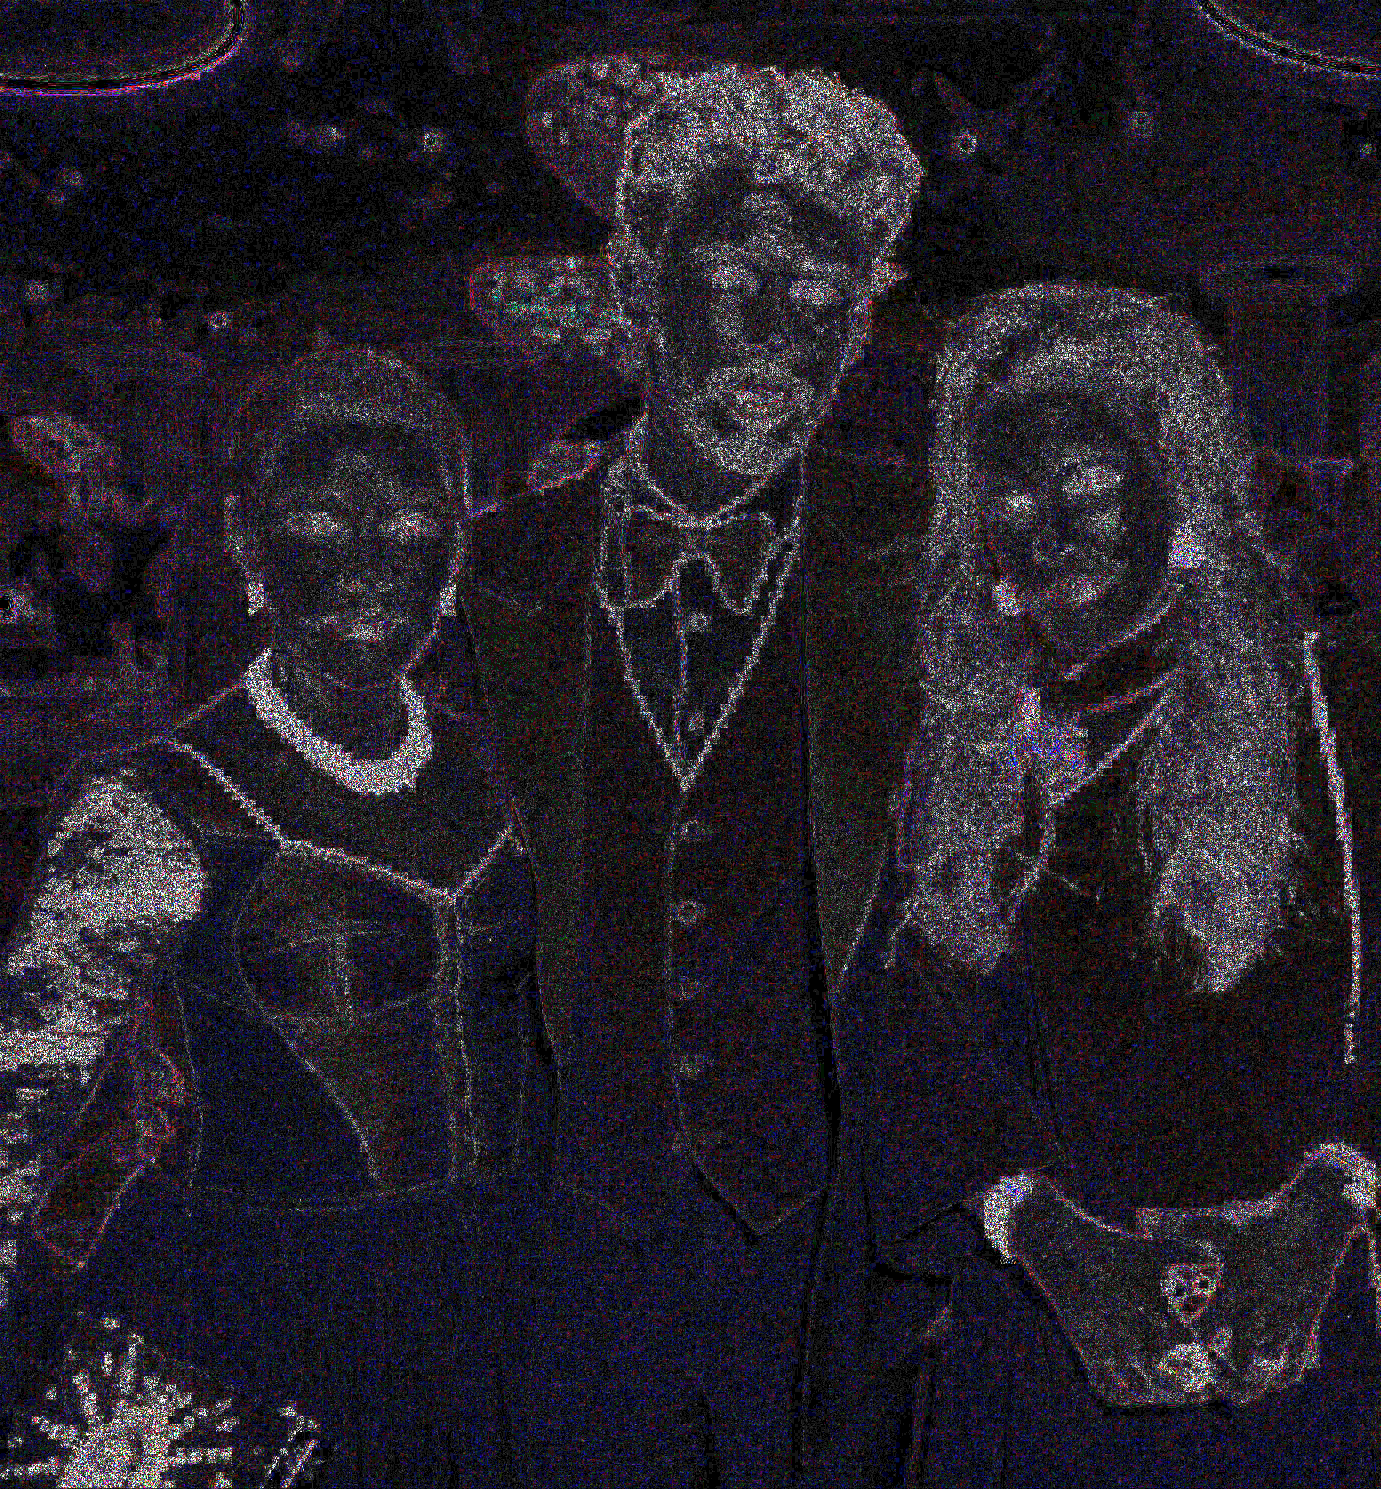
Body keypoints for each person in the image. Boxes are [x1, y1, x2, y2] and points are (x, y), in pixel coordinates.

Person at [820, 283, 1381, 1488]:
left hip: (1281, 1342)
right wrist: (1048, 1243)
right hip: (1029, 1354)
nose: (1052, 534)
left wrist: (1316, 1221)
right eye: (1012, 500)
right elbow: (910, 1048)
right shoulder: (946, 740)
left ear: (1182, 485)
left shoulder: (1334, 705)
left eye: (1090, 482)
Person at [460, 57, 924, 1487]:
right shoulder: (486, 575)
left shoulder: (941, 564)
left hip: (842, 1260)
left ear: (864, 317)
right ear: (636, 285)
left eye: (820, 294)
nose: (775, 334)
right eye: (731, 278)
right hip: (558, 1245)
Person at [0, 347, 547, 1487]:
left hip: (499, 1330)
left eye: (408, 526)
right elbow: (16, 1126)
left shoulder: (517, 779)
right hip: (249, 1335)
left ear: (455, 553)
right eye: (318, 521)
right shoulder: (151, 807)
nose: (365, 566)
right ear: (248, 541)